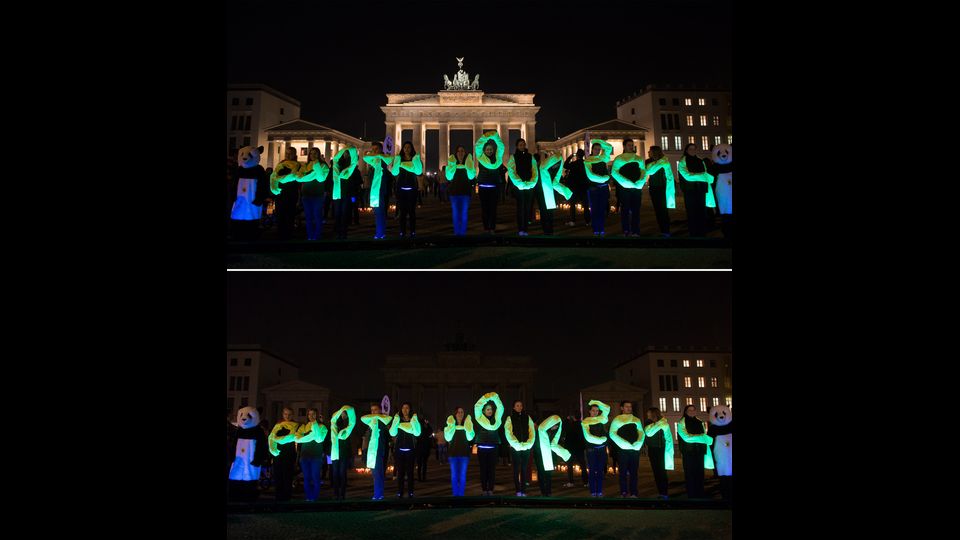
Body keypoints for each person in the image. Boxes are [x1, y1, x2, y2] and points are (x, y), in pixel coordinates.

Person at [677, 144, 716, 237]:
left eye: (694, 149)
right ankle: (693, 233)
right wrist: (702, 176)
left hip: (701, 190)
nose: (692, 150)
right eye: (690, 149)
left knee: (701, 212)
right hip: (690, 190)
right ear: (686, 150)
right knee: (692, 212)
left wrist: (699, 176)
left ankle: (702, 232)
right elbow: (687, 176)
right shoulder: (683, 161)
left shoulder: (700, 160)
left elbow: (705, 174)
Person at [608, 401, 644, 498]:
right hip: (623, 451)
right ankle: (623, 492)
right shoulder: (617, 419)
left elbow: (641, 432)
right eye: (627, 406)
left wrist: (638, 443)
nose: (629, 408)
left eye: (630, 406)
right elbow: (612, 433)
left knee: (634, 473)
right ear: (622, 408)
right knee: (623, 473)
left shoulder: (636, 420)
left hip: (634, 450)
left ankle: (634, 492)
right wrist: (623, 444)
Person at [611, 139, 646, 236]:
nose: (631, 147)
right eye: (629, 145)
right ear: (624, 146)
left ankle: (635, 231)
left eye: (632, 145)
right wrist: (626, 182)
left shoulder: (638, 158)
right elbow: (614, 172)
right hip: (624, 189)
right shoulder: (619, 158)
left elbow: (643, 171)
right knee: (625, 210)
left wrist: (640, 181)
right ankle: (626, 230)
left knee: (636, 210)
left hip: (636, 189)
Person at [677, 405, 714, 499]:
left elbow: (703, 435)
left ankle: (700, 494)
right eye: (690, 410)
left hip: (700, 452)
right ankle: (692, 495)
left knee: (700, 474)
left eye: (693, 410)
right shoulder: (682, 422)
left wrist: (702, 438)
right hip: (688, 452)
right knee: (690, 474)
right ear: (686, 411)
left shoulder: (699, 421)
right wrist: (701, 437)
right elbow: (686, 437)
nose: (692, 411)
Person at [473, 132, 506, 234]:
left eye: (491, 149)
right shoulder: (481, 157)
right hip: (484, 187)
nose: (489, 151)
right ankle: (486, 227)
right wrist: (486, 136)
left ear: (493, 150)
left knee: (493, 209)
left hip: (494, 187)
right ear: (484, 150)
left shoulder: (497, 157)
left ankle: (492, 227)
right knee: (485, 208)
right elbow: (478, 146)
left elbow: (501, 147)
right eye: (487, 149)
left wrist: (495, 137)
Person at [294, 148, 330, 241]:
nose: (313, 155)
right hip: (306, 194)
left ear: (319, 155)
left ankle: (317, 236)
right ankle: (310, 235)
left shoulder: (323, 165)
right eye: (311, 153)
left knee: (317, 216)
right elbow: (299, 178)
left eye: (315, 153)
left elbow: (321, 178)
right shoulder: (305, 166)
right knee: (308, 217)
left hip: (318, 195)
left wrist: (316, 166)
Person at [473, 391, 505, 495]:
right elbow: (477, 406)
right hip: (482, 447)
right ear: (483, 411)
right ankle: (484, 489)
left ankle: (490, 489)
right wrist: (486, 397)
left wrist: (495, 397)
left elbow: (501, 408)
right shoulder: (479, 418)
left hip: (493, 447)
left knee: (492, 470)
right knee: (483, 470)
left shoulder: (497, 419)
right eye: (487, 409)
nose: (490, 411)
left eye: (491, 409)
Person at [389, 142, 423, 238]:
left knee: (412, 211)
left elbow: (419, 172)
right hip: (401, 188)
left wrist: (402, 164)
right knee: (402, 212)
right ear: (403, 149)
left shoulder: (415, 159)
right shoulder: (399, 159)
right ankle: (402, 231)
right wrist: (397, 162)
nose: (407, 149)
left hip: (412, 188)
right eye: (405, 147)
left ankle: (412, 231)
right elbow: (394, 172)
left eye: (409, 147)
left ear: (412, 149)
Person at [295, 408, 328, 501]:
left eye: (313, 414)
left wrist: (309, 435)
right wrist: (311, 436)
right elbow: (297, 438)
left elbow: (320, 439)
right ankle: (308, 497)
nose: (311, 416)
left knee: (315, 477)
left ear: (316, 415)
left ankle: (315, 497)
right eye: (309, 414)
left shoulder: (322, 427)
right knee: (306, 478)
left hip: (316, 456)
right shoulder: (304, 426)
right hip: (305, 456)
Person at [506, 139, 538, 236]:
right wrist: (520, 183)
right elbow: (512, 171)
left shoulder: (530, 156)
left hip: (529, 185)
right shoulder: (513, 157)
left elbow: (534, 170)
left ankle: (525, 229)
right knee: (520, 207)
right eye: (520, 145)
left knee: (527, 207)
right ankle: (521, 229)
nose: (522, 146)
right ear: (517, 146)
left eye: (523, 144)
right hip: (519, 186)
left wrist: (531, 182)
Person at [389, 402, 421, 497]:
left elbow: (417, 433)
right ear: (401, 409)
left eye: (407, 408)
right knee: (400, 473)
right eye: (403, 408)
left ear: (410, 409)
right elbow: (392, 433)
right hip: (399, 450)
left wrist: (414, 420)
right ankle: (400, 492)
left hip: (410, 450)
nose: (405, 410)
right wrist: (395, 421)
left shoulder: (413, 420)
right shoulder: (398, 420)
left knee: (410, 473)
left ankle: (410, 492)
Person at [361, 403, 391, 500]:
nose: (373, 412)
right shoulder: (371, 423)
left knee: (378, 473)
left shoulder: (382, 422)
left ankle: (378, 494)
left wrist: (378, 416)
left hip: (379, 450)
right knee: (375, 474)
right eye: (372, 410)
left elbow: (389, 422)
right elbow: (362, 418)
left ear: (380, 410)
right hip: (371, 451)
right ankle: (378, 494)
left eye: (375, 410)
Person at [642, 146, 676, 237]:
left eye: (650, 151)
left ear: (655, 152)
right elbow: (647, 173)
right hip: (653, 188)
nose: (648, 152)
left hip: (663, 188)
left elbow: (669, 175)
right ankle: (663, 229)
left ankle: (666, 230)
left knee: (663, 210)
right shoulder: (648, 161)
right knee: (657, 210)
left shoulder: (664, 161)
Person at [268, 407, 299, 502]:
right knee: (278, 477)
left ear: (293, 415)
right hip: (278, 455)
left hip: (289, 455)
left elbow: (296, 440)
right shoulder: (278, 425)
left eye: (289, 414)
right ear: (283, 414)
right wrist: (273, 454)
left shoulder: (296, 426)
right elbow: (271, 439)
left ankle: (286, 499)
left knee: (287, 478)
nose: (287, 416)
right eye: (285, 414)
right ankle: (278, 498)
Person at [504, 400, 535, 496]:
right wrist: (515, 444)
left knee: (524, 469)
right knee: (516, 469)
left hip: (526, 447)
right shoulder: (510, 418)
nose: (519, 407)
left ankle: (523, 490)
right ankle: (518, 490)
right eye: (517, 405)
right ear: (514, 407)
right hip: (515, 447)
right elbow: (508, 432)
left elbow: (532, 431)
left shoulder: (527, 417)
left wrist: (529, 443)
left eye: (521, 405)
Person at [270, 147, 302, 240]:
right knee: (280, 214)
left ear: (294, 154)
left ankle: (288, 234)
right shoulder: (281, 164)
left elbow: (298, 179)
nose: (288, 155)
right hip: (281, 193)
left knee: (290, 215)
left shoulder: (298, 165)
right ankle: (280, 233)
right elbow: (275, 176)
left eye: (290, 153)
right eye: (287, 153)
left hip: (292, 193)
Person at [363, 142, 394, 239]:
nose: (374, 151)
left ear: (381, 149)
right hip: (374, 190)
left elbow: (390, 159)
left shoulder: (383, 159)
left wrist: (378, 155)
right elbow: (365, 157)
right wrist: (374, 154)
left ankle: (380, 233)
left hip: (381, 189)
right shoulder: (374, 160)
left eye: (376, 149)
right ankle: (379, 232)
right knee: (377, 213)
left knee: (380, 212)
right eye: (372, 149)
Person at [444, 145, 476, 236]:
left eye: (462, 151)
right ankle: (457, 233)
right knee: (456, 213)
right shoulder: (452, 163)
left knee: (464, 213)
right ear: (456, 153)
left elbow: (471, 176)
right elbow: (449, 177)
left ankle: (462, 233)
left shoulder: (468, 162)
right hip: (454, 192)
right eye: (459, 151)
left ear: (465, 153)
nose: (461, 153)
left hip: (465, 191)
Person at [537, 151, 571, 235]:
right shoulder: (555, 163)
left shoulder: (546, 165)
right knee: (547, 213)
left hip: (545, 190)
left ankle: (548, 231)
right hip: (547, 190)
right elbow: (556, 180)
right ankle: (548, 231)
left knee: (546, 212)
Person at [642, 407, 673, 499]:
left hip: (662, 449)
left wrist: (669, 450)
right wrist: (660, 423)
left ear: (653, 414)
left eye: (648, 413)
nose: (647, 415)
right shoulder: (648, 423)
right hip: (653, 450)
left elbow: (668, 437)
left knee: (662, 472)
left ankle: (664, 493)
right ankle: (661, 492)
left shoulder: (663, 423)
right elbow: (649, 433)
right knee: (656, 472)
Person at [583, 140, 613, 235]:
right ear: (592, 149)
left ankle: (601, 228)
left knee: (602, 209)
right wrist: (605, 178)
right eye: (596, 149)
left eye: (599, 149)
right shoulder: (588, 160)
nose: (597, 151)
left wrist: (597, 140)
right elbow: (590, 175)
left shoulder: (602, 159)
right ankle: (596, 228)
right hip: (594, 187)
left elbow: (608, 147)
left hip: (603, 187)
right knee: (594, 209)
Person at [581, 399, 610, 497]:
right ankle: (593, 491)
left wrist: (596, 402)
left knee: (600, 470)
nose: (595, 412)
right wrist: (602, 439)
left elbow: (607, 408)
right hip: (591, 449)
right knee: (592, 470)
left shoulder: (601, 420)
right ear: (589, 411)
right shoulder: (586, 422)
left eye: (597, 411)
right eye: (593, 410)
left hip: (601, 449)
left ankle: (599, 490)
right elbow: (588, 436)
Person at [444, 406, 475, 496]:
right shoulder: (451, 425)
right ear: (455, 414)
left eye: (462, 412)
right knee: (454, 476)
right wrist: (451, 426)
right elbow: (447, 438)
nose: (460, 414)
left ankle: (461, 495)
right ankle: (455, 495)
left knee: (462, 476)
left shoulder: (467, 425)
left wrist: (468, 427)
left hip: (464, 453)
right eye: (458, 412)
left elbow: (470, 437)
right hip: (453, 453)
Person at [331, 146, 360, 240]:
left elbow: (354, 161)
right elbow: (335, 158)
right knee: (337, 214)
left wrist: (351, 150)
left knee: (345, 213)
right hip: (338, 193)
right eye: (345, 153)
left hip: (348, 193)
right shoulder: (337, 165)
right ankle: (338, 232)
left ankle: (343, 232)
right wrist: (343, 149)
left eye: (347, 153)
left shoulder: (352, 167)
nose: (345, 154)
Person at [329, 405, 357, 501]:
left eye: (345, 413)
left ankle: (342, 494)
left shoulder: (348, 425)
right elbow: (329, 439)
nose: (343, 415)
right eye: (342, 413)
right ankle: (336, 493)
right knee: (335, 474)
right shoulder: (334, 424)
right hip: (334, 453)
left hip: (343, 453)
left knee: (342, 473)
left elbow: (350, 441)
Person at [562, 412, 588, 488]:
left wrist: (567, 419)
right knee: (583, 465)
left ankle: (571, 482)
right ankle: (585, 482)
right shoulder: (582, 425)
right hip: (580, 448)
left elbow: (563, 427)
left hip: (571, 448)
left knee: (570, 465)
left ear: (573, 417)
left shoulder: (570, 425)